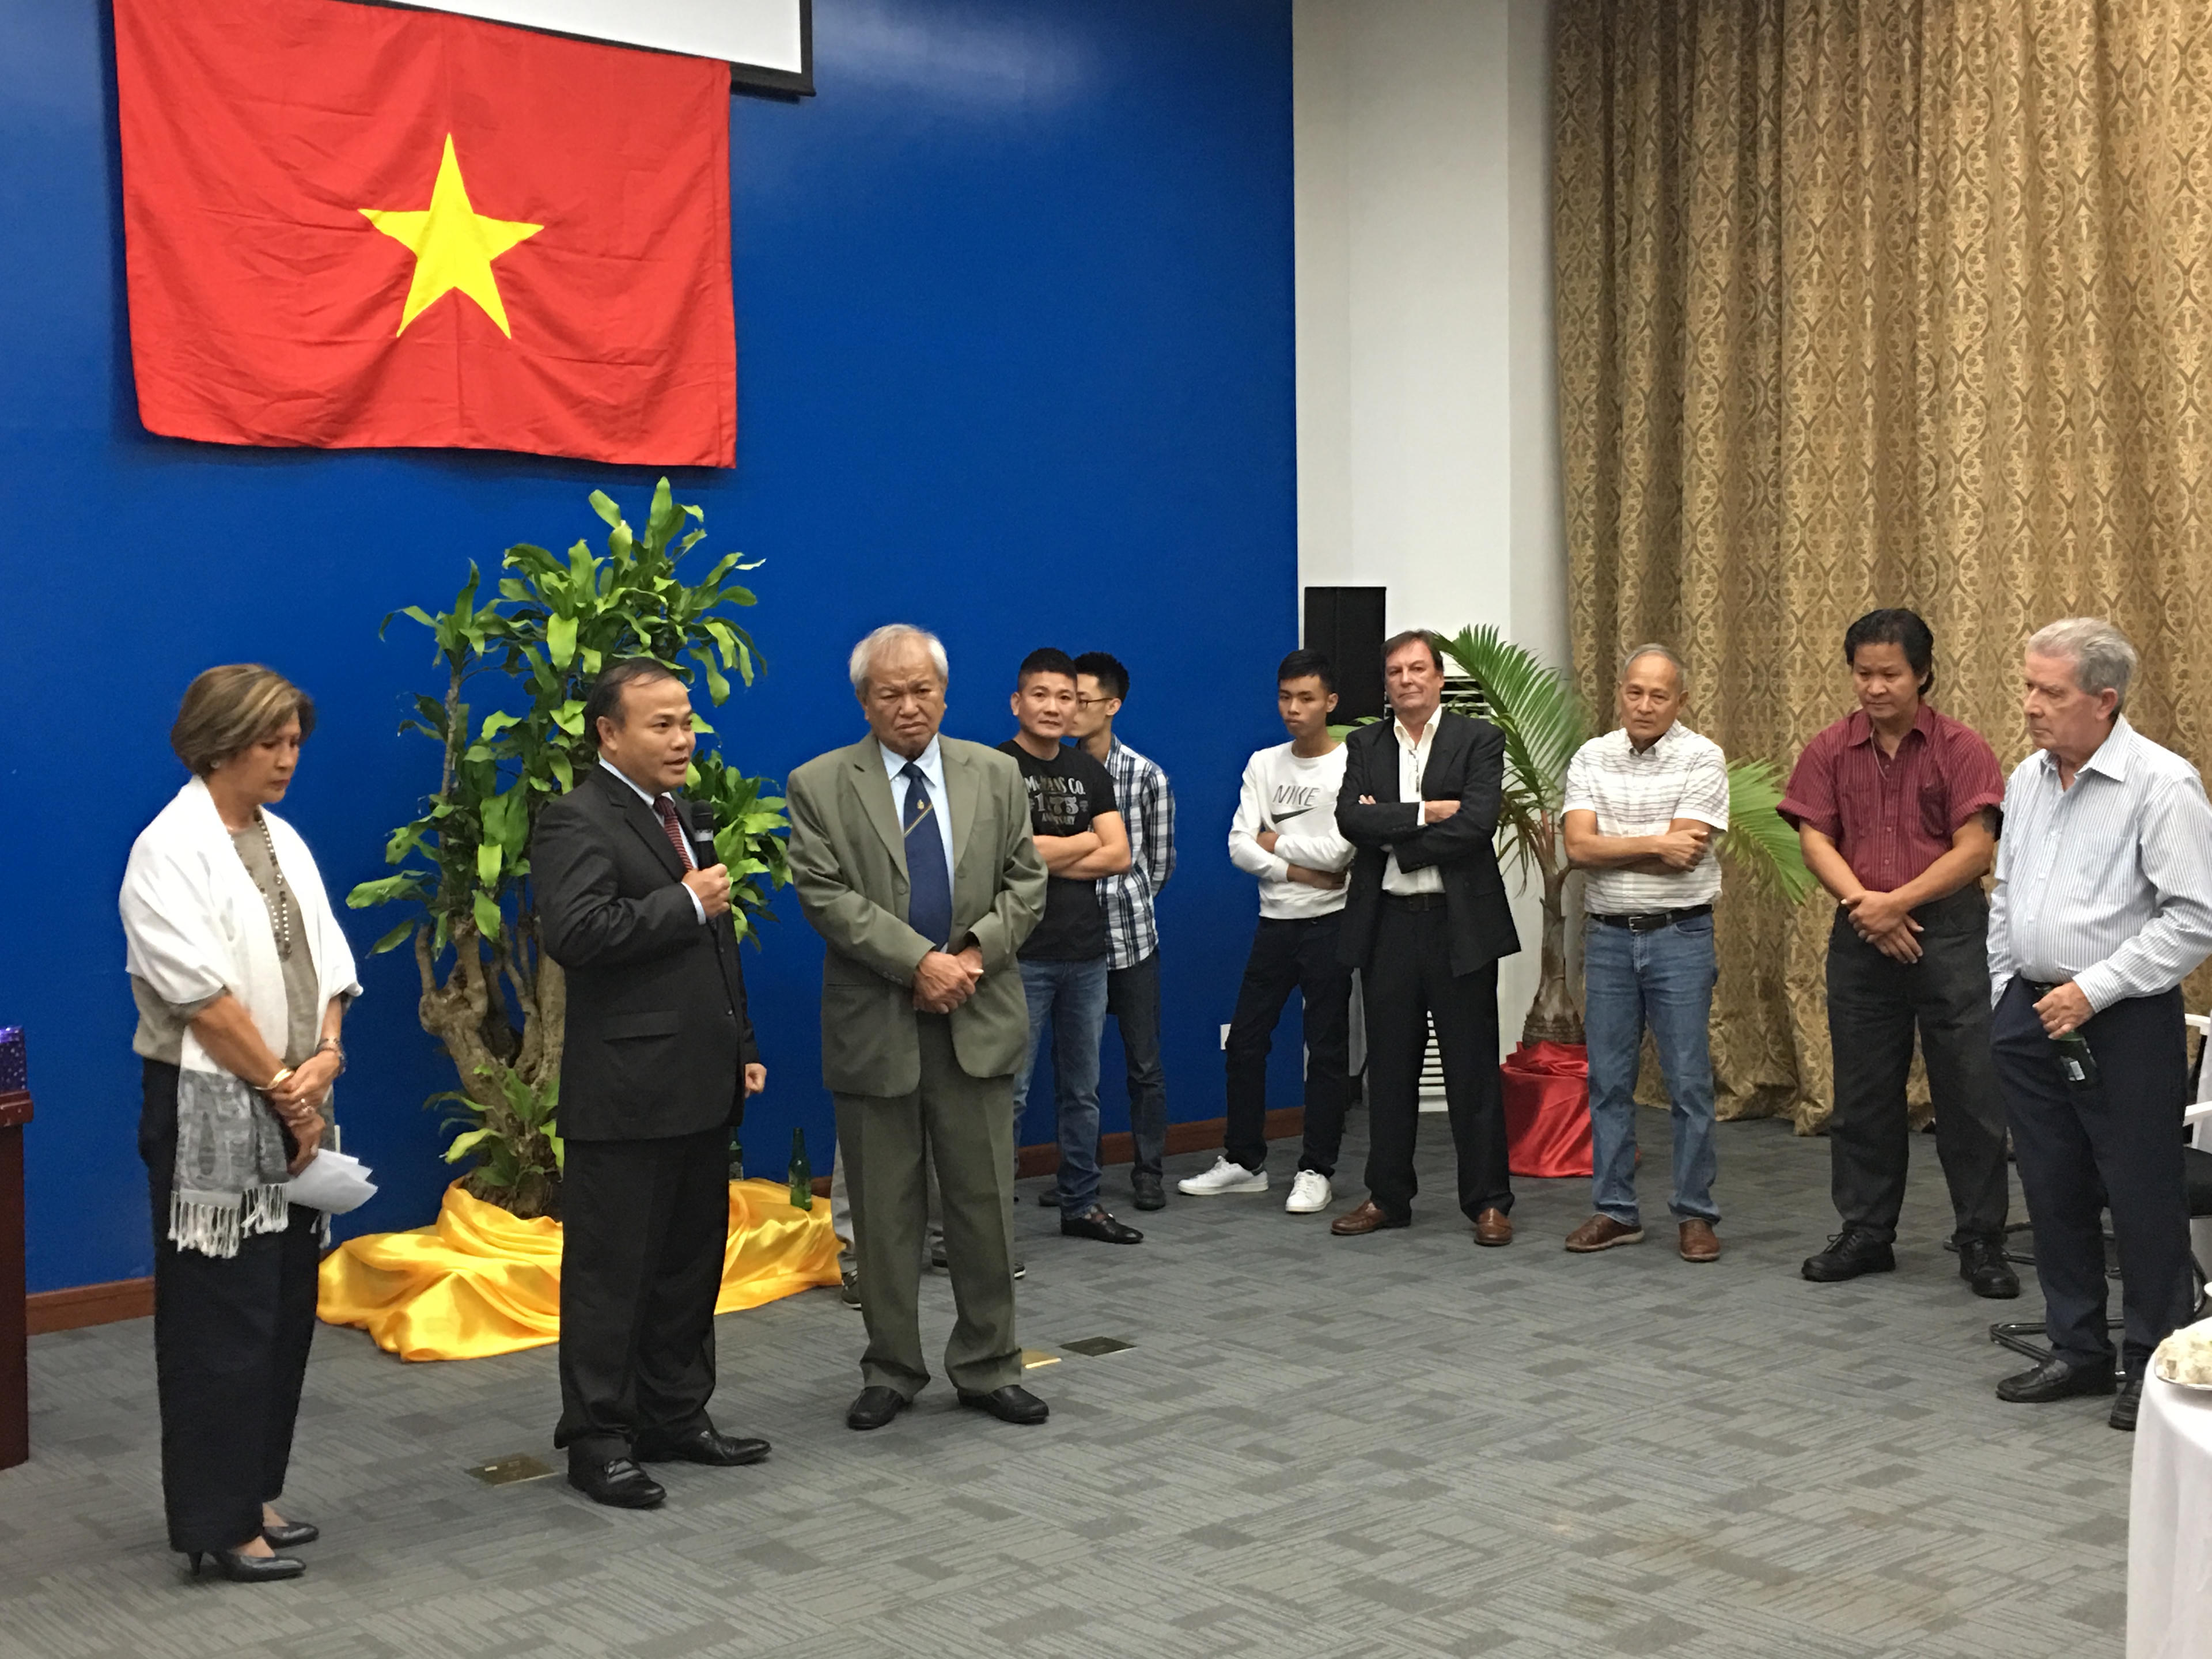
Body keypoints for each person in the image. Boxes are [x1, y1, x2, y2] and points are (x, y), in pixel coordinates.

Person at [120, 665, 358, 1582]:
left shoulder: (281, 838)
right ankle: (216, 1526)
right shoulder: (167, 849)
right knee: (219, 1322)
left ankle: (255, 1492)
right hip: (211, 1109)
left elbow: (331, 963)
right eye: (271, 742)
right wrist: (285, 1086)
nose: (288, 758)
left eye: (295, 742)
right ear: (218, 744)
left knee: (284, 1310)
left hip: (298, 1100)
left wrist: (326, 1053)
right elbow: (203, 1000)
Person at [786, 624, 1051, 1432]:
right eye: (890, 693)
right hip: (878, 1024)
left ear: (945, 692)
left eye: (922, 690)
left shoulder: (997, 774)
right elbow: (825, 896)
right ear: (864, 702)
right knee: (883, 1214)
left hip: (978, 1013)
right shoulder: (818, 783)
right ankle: (892, 1368)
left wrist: (970, 956)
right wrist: (918, 964)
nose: (909, 706)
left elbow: (1027, 882)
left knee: (983, 1207)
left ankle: (989, 1364)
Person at [533, 659, 770, 1509]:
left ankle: (676, 1415)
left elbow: (716, 941)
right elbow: (577, 933)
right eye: (662, 724)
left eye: (687, 722)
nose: (683, 739)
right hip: (627, 1092)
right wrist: (685, 902)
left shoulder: (681, 816)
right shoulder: (577, 818)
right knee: (613, 1275)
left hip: (701, 1080)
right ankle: (599, 1439)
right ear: (609, 733)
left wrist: (741, 1041)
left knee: (687, 1266)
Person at [1986, 618, 2212, 1432]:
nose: (2030, 705)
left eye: (2050, 692)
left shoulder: (2162, 783)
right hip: (2031, 1014)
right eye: (2028, 686)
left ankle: (2152, 1362)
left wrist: (2094, 989)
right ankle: (2077, 1347)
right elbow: (2007, 895)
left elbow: (2195, 917)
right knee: (2052, 1187)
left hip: (2121, 1021)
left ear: (2104, 700)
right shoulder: (2027, 778)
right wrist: (2005, 993)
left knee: (2140, 1194)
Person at [1778, 609, 2016, 1296]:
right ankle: (1865, 1232)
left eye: (1890, 674)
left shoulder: (1961, 748)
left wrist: (1897, 903)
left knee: (1969, 1092)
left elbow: (1976, 848)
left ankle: (1981, 1240)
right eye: (1863, 674)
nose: (1875, 687)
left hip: (1949, 931)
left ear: (1923, 674)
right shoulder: (1830, 748)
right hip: (1861, 932)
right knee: (1862, 1093)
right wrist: (1867, 906)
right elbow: (1815, 839)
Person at [1331, 630, 1521, 1240]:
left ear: (1439, 678)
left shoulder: (1478, 739)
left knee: (1472, 1069)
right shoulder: (1364, 743)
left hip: (1458, 925)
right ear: (1386, 685)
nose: (1406, 680)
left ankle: (1488, 1202)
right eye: (1395, 672)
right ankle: (1387, 1197)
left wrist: (1396, 838)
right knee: (1390, 1070)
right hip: (1387, 925)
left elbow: (1476, 823)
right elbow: (1350, 819)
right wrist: (1424, 812)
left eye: (1417, 669)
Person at [1559, 646, 1732, 1263]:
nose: (1645, 705)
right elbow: (1578, 849)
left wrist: (1618, 847)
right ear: (1620, 693)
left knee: (1688, 1083)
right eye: (1635, 692)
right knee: (1608, 1081)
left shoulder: (1702, 756)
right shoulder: (1592, 756)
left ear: (1680, 701)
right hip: (1608, 937)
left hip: (1679, 935)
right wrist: (1657, 844)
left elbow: (1689, 853)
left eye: (1659, 695)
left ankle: (1695, 1212)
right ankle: (1615, 1211)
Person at [1183, 648, 1357, 1213]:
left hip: (1330, 924)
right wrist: (1299, 870)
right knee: (1245, 1042)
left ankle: (1316, 1168)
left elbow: (1342, 852)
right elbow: (1239, 845)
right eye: (1285, 697)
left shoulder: (1350, 764)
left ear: (1330, 702)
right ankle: (1244, 1161)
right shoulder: (1263, 763)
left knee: (1325, 1050)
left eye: (1306, 698)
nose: (1293, 709)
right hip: (1276, 922)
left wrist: (1275, 842)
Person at [999, 648, 1143, 1245]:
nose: (1054, 707)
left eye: (1066, 697)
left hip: (1086, 953)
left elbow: (1121, 854)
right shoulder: (995, 768)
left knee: (1083, 1091)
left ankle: (1081, 1204)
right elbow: (1005, 856)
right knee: (1009, 1093)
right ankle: (992, 1220)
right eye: (1041, 695)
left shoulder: (1089, 771)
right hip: (1020, 954)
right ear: (1018, 701)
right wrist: (1082, 841)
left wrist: (1042, 854)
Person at [1070, 651, 1177, 1212]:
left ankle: (1148, 1172)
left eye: (1082, 700)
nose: (1070, 709)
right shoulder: (1055, 774)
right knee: (1077, 1071)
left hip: (1132, 938)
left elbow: (1158, 864)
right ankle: (1079, 1178)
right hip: (1072, 942)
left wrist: (1125, 898)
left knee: (1144, 1065)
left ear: (1112, 706)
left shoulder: (1146, 776)